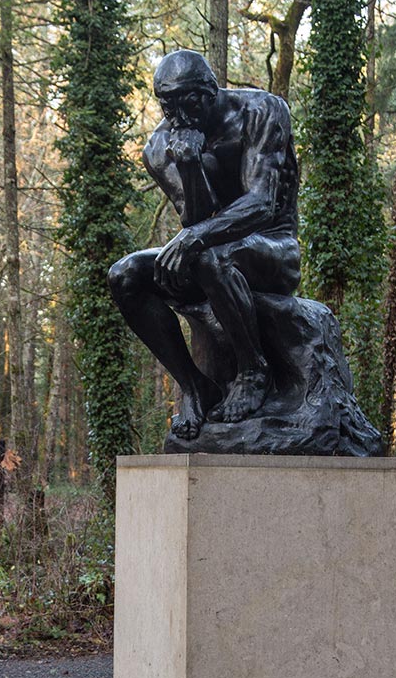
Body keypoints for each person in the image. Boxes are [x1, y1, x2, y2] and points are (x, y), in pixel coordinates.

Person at [108, 50, 301, 440]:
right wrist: (190, 165)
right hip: (207, 257)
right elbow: (195, 219)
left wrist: (195, 237)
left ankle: (253, 370)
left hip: (274, 250)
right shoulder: (160, 146)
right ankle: (194, 387)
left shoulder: (262, 111)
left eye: (189, 103)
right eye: (169, 106)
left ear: (210, 90)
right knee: (125, 275)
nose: (179, 116)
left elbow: (263, 202)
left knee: (208, 251)